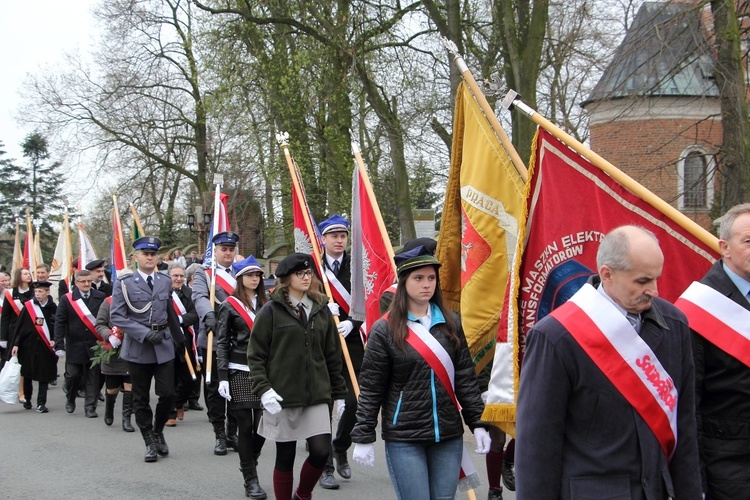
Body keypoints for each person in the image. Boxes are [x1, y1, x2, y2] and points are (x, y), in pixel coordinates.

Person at [515, 225, 701, 499]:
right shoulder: (555, 336)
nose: (654, 291)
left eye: (656, 279)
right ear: (607, 275)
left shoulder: (674, 324)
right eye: (642, 281)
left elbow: (685, 426)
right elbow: (537, 448)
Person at [351, 245, 490, 500]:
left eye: (431, 278)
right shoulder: (385, 330)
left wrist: (478, 422)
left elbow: (466, 379)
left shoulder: (451, 323)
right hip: (405, 436)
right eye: (418, 278)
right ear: (403, 283)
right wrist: (363, 434)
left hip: (447, 434)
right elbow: (372, 388)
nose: (427, 284)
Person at [248, 253, 347, 500]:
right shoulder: (270, 311)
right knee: (285, 456)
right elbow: (256, 355)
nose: (306, 277)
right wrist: (264, 388)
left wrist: (340, 393)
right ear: (286, 278)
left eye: (308, 273)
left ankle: (302, 495)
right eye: (299, 274)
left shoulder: (321, 310)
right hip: (283, 394)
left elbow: (332, 355)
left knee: (321, 451)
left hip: (317, 393)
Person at [675, 204, 750, 499]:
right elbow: (687, 407)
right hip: (728, 470)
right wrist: (695, 486)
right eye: (748, 241)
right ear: (724, 247)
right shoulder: (698, 310)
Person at [110, 236, 184, 463]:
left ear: (159, 257)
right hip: (139, 346)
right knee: (140, 398)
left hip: (162, 343)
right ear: (136, 257)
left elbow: (169, 311)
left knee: (168, 394)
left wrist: (178, 339)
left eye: (153, 254)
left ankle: (158, 429)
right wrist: (143, 333)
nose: (150, 257)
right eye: (145, 254)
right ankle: (149, 441)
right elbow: (116, 316)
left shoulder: (164, 280)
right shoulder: (124, 283)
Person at [316, 214, 364, 489]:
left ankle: (340, 446)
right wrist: (322, 310)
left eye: (343, 235)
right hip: (321, 344)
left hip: (352, 343)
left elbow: (369, 298)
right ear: (323, 239)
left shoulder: (357, 266)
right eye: (333, 236)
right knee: (322, 406)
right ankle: (324, 466)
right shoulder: (312, 267)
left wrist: (353, 321)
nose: (339, 240)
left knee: (354, 403)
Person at [217, 255, 269, 499]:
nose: (254, 278)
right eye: (250, 275)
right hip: (239, 369)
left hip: (266, 371)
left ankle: (251, 460)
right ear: (240, 278)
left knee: (263, 425)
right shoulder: (229, 305)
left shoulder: (268, 304)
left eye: (257, 274)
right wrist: (222, 376)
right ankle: (250, 479)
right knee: (245, 425)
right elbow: (221, 343)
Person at [193, 231, 241, 455]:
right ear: (216, 251)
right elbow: (199, 297)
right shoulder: (206, 274)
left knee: (238, 386)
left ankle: (232, 432)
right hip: (214, 337)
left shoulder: (242, 272)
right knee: (214, 388)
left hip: (239, 340)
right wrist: (208, 314)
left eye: (231, 249)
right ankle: (219, 435)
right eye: (224, 249)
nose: (228, 253)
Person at [54, 269, 107, 417]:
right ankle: (70, 398)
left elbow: (105, 318)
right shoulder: (67, 299)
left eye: (89, 281)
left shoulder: (100, 296)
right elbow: (59, 322)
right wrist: (59, 344)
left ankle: (90, 407)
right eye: (83, 281)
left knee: (93, 377)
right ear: (76, 283)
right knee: (73, 376)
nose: (86, 284)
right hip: (74, 344)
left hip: (95, 344)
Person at [10, 280, 58, 412]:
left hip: (44, 346)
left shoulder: (53, 308)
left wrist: (55, 339)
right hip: (28, 345)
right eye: (36, 291)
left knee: (44, 374)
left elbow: (57, 326)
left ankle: (41, 403)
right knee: (27, 373)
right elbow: (20, 327)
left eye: (40, 291)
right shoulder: (29, 307)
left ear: (47, 292)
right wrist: (16, 344)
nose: (37, 294)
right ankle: (28, 399)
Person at [95, 294, 134, 432]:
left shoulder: (139, 300)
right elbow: (100, 323)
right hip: (113, 351)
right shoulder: (108, 302)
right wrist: (110, 335)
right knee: (113, 388)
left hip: (133, 349)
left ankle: (126, 419)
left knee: (130, 385)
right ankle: (109, 409)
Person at [167, 263, 199, 427]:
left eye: (181, 276)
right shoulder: (162, 293)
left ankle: (180, 402)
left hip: (186, 340)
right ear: (169, 277)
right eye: (175, 276)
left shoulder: (190, 294)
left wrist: (179, 320)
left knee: (189, 379)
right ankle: (171, 411)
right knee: (170, 379)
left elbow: (195, 314)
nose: (179, 279)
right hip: (168, 341)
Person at [1, 268, 34, 370]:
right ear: (19, 276)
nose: (28, 275)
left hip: (31, 331)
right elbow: (5, 317)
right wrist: (3, 338)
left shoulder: (34, 292)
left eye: (29, 274)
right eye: (25, 274)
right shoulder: (10, 293)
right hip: (14, 331)